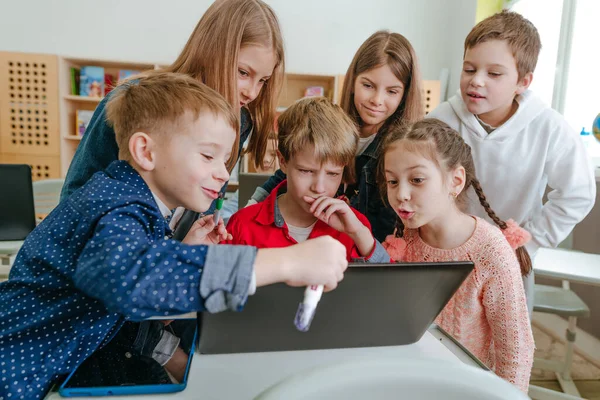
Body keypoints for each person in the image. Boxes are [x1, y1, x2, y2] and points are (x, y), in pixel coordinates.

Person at [0, 73, 348, 399]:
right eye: (208, 156)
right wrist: (289, 261)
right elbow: (128, 280)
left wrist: (179, 251)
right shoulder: (115, 203)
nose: (222, 173)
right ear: (146, 152)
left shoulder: (129, 200)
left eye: (225, 160)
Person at [426, 10, 596, 312]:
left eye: (493, 73)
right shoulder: (441, 119)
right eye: (469, 69)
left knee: (502, 345)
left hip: (509, 260)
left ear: (523, 81)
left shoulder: (549, 128)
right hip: (444, 254)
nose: (476, 81)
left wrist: (528, 241)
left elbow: (577, 194)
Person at [61, 0, 285, 213]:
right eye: (243, 72)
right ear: (212, 51)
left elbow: (207, 202)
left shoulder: (239, 118)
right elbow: (76, 198)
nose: (253, 92)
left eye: (263, 80)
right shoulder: (135, 99)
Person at [380, 119, 534, 392]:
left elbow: (516, 350)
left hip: (466, 389)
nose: (401, 194)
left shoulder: (490, 250)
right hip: (409, 382)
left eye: (417, 180)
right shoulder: (405, 238)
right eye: (392, 181)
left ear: (456, 180)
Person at [249, 30, 424, 242]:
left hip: (362, 253)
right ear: (353, 83)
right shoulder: (333, 127)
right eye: (368, 86)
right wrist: (247, 211)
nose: (377, 100)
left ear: (404, 95)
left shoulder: (399, 151)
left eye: (392, 92)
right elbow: (284, 176)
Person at [224, 97, 389, 263]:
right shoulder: (242, 224)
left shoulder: (356, 225)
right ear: (283, 162)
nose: (319, 187)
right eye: (306, 171)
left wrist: (359, 234)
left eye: (333, 174)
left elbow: (386, 284)